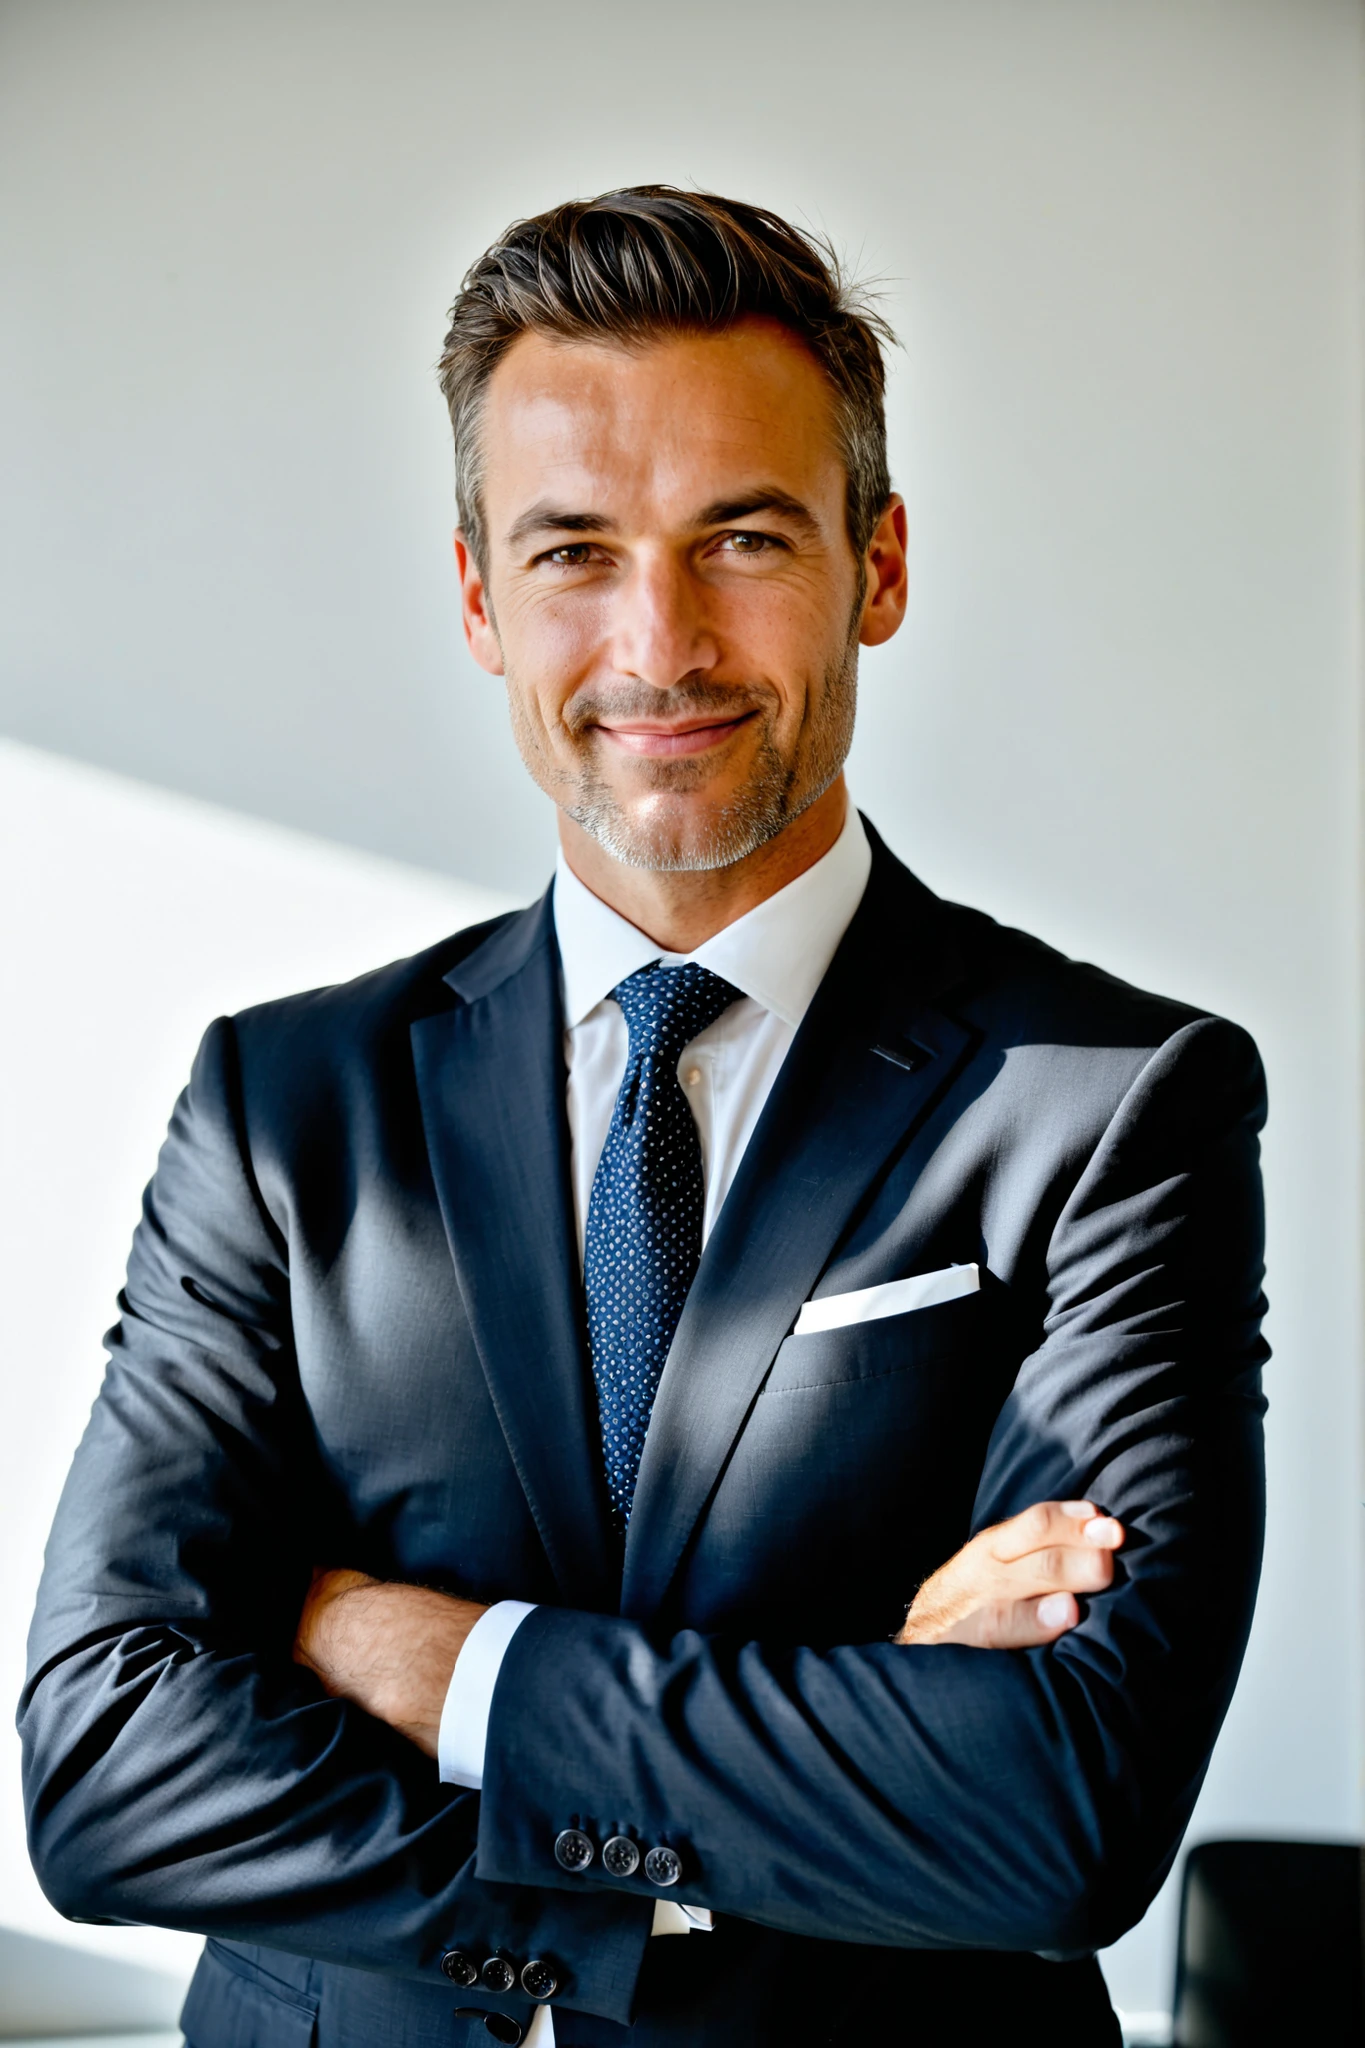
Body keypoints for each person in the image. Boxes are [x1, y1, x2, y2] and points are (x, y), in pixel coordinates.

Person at [20, 188, 1267, 2048]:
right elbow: (107, 1762)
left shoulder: (1112, 1107)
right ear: (478, 601)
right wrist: (762, 1804)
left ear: (880, 564)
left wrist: (433, 1664)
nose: (658, 641)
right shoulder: (285, 1108)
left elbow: (1060, 1810)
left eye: (743, 536)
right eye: (574, 552)